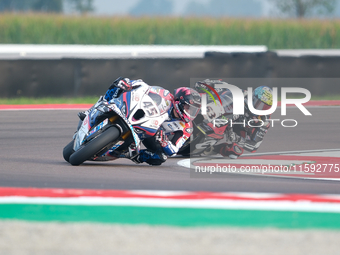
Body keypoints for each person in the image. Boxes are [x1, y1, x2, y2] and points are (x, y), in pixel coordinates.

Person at [79, 77, 202, 165]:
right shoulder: (165, 95)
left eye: (194, 111)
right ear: (178, 102)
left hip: (153, 135)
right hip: (143, 116)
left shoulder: (186, 128)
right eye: (188, 108)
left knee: (161, 157)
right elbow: (145, 87)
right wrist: (130, 84)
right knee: (120, 81)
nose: (190, 113)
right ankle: (92, 110)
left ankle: (134, 156)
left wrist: (164, 142)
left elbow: (174, 150)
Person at [195, 79, 273, 159]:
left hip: (239, 128)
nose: (260, 108)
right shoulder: (243, 94)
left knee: (236, 150)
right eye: (259, 104)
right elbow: (224, 85)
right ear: (253, 97)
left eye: (265, 107)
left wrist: (237, 138)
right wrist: (208, 84)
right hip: (225, 113)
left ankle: (212, 149)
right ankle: (202, 112)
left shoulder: (264, 121)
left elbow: (254, 146)